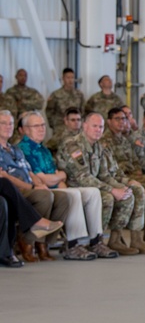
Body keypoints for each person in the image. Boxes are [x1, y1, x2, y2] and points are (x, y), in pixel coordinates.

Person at [17, 110, 112, 260]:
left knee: (93, 192)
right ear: (26, 129)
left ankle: (96, 241)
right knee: (73, 194)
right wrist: (57, 177)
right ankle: (73, 245)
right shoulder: (24, 149)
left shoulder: (44, 149)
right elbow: (43, 179)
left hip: (55, 188)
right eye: (36, 126)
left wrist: (58, 178)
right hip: (41, 191)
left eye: (43, 125)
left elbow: (61, 175)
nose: (42, 129)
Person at [57, 112, 145, 256]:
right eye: (94, 126)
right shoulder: (72, 145)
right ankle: (95, 241)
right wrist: (112, 190)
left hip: (94, 188)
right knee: (107, 197)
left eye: (101, 127)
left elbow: (104, 175)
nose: (98, 130)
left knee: (128, 194)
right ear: (84, 126)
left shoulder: (99, 147)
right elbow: (83, 177)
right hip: (75, 189)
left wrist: (123, 187)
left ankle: (115, 240)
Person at [0, 110, 71, 263]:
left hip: (28, 186)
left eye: (10, 123)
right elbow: (5, 178)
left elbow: (30, 172)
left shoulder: (15, 150)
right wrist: (32, 188)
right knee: (44, 197)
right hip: (16, 191)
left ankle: (44, 243)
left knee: (63, 197)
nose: (8, 126)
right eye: (3, 123)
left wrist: (40, 184)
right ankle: (28, 243)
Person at [101, 107, 145, 253]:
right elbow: (109, 169)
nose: (121, 122)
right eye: (117, 119)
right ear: (109, 122)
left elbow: (135, 160)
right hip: (116, 179)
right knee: (138, 190)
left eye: (124, 119)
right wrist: (128, 177)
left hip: (131, 176)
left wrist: (137, 170)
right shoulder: (104, 141)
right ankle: (119, 239)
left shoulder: (125, 140)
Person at [46, 68, 85, 135]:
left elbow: (83, 111)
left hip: (76, 128)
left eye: (72, 77)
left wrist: (80, 123)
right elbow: (49, 111)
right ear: (63, 78)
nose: (70, 80)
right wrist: (54, 125)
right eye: (68, 77)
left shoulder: (79, 94)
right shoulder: (56, 94)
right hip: (60, 128)